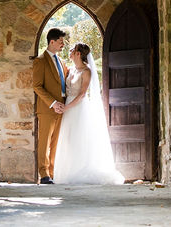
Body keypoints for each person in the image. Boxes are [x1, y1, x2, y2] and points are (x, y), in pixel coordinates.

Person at [53, 42, 125, 185]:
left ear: (78, 54)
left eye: (72, 50)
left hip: (78, 107)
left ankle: (80, 171)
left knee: (79, 138)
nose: (70, 52)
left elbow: (82, 94)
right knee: (68, 138)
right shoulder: (71, 69)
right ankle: (67, 172)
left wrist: (67, 108)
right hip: (68, 106)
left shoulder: (87, 72)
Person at [32, 27, 69, 184]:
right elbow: (37, 86)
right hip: (47, 109)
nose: (63, 44)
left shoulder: (61, 61)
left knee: (55, 144)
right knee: (44, 142)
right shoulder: (40, 61)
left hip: (62, 107)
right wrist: (53, 103)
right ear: (52, 42)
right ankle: (44, 174)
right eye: (61, 42)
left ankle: (52, 173)